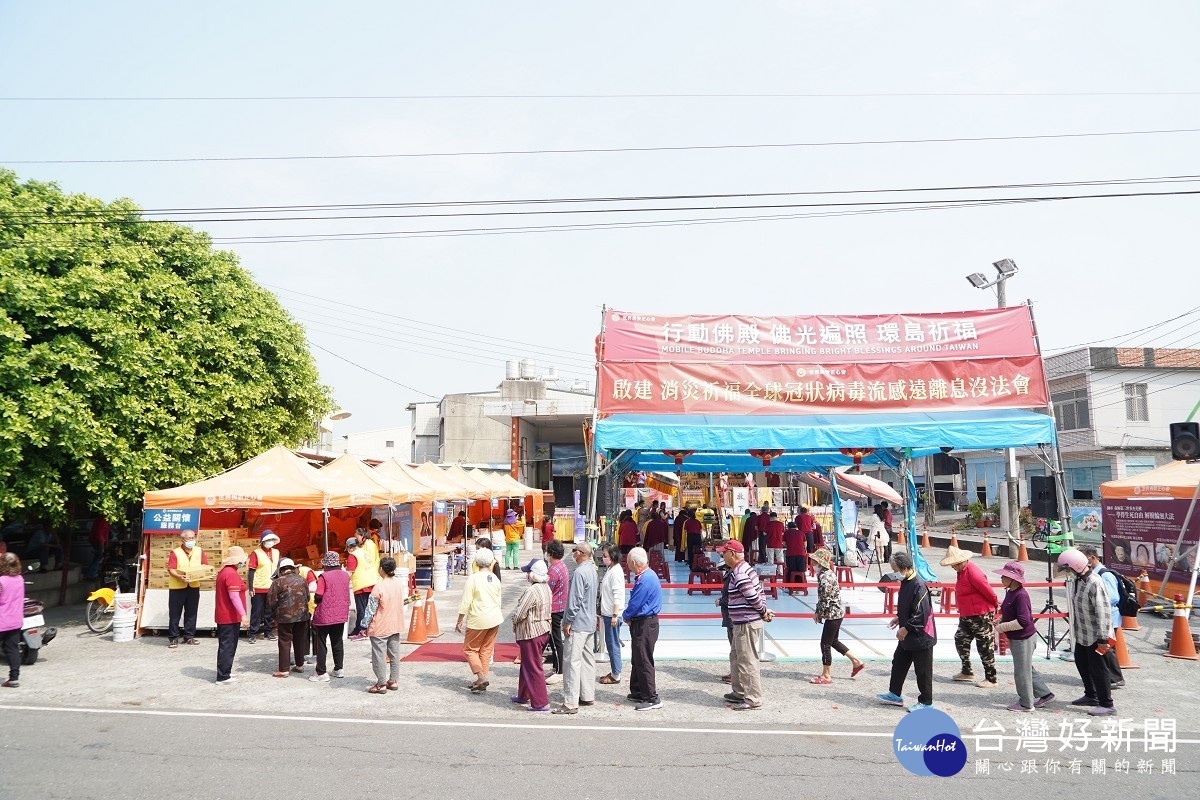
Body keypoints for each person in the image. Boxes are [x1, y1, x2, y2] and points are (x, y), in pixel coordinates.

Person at [715, 540, 774, 710]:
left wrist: (762, 611)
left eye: (724, 553)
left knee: (746, 660)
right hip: (743, 621)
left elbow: (752, 597)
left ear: (732, 554)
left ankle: (752, 698)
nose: (722, 555)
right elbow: (759, 593)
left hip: (745, 622)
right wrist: (763, 610)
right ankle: (739, 691)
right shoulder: (746, 569)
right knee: (736, 656)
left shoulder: (739, 573)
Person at [1058, 547, 1116, 716]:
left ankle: (1107, 704)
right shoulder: (1078, 581)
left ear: (1076, 566)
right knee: (1082, 664)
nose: (1067, 572)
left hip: (1097, 636)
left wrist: (1103, 639)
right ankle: (1091, 695)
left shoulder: (1094, 583)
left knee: (1099, 669)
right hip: (1082, 634)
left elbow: (1103, 612)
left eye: (1068, 569)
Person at [877, 551, 936, 712]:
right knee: (898, 663)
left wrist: (906, 627)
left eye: (896, 569)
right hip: (908, 634)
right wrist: (899, 618)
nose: (895, 573)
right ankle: (894, 694)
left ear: (905, 568)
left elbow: (921, 615)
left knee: (922, 670)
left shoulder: (919, 585)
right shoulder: (905, 582)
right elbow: (908, 606)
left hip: (921, 636)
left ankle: (926, 702)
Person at [993, 561, 1054, 712]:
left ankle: (1026, 703)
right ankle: (1045, 694)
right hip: (1019, 637)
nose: (1001, 578)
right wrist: (1001, 620)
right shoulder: (1011, 592)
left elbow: (1024, 621)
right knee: (1027, 668)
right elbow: (1011, 614)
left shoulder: (1020, 595)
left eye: (1004, 576)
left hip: (1023, 638)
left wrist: (1002, 627)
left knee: (1022, 671)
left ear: (1013, 579)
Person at [941, 545, 999, 688]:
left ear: (960, 562)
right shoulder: (961, 572)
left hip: (980, 613)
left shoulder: (973, 572)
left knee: (984, 645)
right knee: (960, 639)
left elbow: (988, 591)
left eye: (953, 564)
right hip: (967, 613)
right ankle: (967, 671)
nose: (952, 567)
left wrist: (995, 604)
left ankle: (991, 678)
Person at [554, 542, 599, 715]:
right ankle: (587, 694)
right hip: (589, 621)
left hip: (578, 622)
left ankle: (571, 701)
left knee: (572, 661)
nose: (573, 555)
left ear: (580, 553)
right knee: (588, 659)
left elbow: (575, 601)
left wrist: (567, 621)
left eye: (574, 552)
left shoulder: (580, 572)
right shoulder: (592, 570)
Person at [810, 547, 864, 684]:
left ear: (819, 562)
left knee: (825, 644)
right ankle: (856, 661)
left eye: (814, 560)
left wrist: (818, 613)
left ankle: (826, 675)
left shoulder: (825, 577)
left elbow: (825, 598)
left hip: (833, 613)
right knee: (833, 641)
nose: (811, 562)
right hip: (836, 612)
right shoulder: (828, 573)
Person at [456, 548, 503, 693]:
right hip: (494, 617)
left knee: (470, 649)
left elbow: (466, 601)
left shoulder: (474, 578)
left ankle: (481, 677)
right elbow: (499, 600)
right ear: (491, 562)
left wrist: (460, 619)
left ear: (476, 562)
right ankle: (482, 678)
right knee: (486, 650)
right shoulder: (495, 578)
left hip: (478, 618)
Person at [1080, 545, 1125, 689]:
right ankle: (1105, 676)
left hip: (1109, 617)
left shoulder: (1105, 575)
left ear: (1092, 558)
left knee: (1107, 650)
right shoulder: (1091, 574)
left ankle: (1115, 678)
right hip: (1100, 617)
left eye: (1084, 558)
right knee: (1102, 651)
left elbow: (1112, 597)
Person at [511, 559, 553, 712]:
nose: (527, 575)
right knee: (527, 665)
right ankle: (524, 694)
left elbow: (520, 613)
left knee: (533, 667)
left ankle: (540, 702)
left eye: (528, 572)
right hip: (542, 629)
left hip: (531, 632)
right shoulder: (546, 588)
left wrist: (513, 621)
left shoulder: (532, 591)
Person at [624, 547, 663, 710]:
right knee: (638, 657)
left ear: (634, 562)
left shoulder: (645, 579)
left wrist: (625, 616)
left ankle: (651, 697)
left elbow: (635, 603)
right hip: (646, 621)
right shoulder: (647, 576)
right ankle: (638, 690)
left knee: (643, 658)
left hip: (645, 622)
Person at [361, 556, 407, 694]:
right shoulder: (398, 583)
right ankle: (393, 680)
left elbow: (370, 610)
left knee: (379, 656)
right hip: (396, 623)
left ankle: (381, 683)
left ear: (381, 569)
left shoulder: (378, 587)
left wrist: (364, 625)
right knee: (394, 654)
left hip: (380, 626)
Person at [310, 550, 349, 682]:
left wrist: (315, 601)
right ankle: (339, 669)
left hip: (325, 614)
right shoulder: (345, 575)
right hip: (341, 613)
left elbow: (319, 595)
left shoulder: (324, 577)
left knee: (321, 642)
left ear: (326, 564)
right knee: (337, 641)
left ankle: (321, 672)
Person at [166, 529, 208, 648]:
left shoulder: (199, 551)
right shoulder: (175, 552)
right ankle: (173, 638)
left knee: (191, 612)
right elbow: (171, 569)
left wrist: (207, 573)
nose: (191, 540)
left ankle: (189, 636)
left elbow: (204, 565)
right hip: (177, 587)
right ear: (182, 539)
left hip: (193, 586)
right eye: (188, 538)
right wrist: (179, 576)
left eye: (193, 538)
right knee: (175, 613)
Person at [268, 558, 310, 678]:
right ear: (293, 568)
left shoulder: (278, 582)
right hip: (302, 616)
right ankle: (300, 665)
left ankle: (284, 670)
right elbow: (307, 597)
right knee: (299, 640)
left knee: (284, 641)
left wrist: (274, 614)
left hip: (285, 617)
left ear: (281, 570)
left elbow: (271, 601)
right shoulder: (302, 580)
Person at [213, 546, 249, 686]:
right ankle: (223, 676)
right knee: (228, 645)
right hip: (229, 616)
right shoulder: (231, 574)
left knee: (227, 644)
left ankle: (225, 671)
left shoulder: (224, 572)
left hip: (225, 615)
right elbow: (234, 597)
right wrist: (243, 615)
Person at [598, 543, 627, 685]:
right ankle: (615, 671)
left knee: (613, 644)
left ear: (613, 557)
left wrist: (615, 615)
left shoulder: (615, 572)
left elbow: (617, 595)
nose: (603, 558)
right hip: (608, 613)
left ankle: (616, 674)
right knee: (610, 643)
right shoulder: (612, 569)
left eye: (605, 556)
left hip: (612, 614)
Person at [246, 531, 280, 643]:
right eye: (267, 540)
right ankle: (253, 634)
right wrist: (251, 587)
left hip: (272, 586)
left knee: (269, 611)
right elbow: (251, 571)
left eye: (271, 540)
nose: (269, 542)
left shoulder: (276, 552)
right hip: (258, 586)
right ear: (263, 541)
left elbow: (278, 568)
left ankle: (268, 632)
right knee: (256, 611)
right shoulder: (256, 553)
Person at [346, 535, 379, 640]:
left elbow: (349, 572)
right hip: (372, 582)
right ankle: (365, 629)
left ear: (350, 547)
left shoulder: (353, 555)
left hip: (361, 585)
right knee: (370, 608)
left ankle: (361, 631)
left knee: (362, 610)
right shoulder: (365, 552)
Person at [544, 539, 568, 684]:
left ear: (551, 553)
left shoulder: (553, 570)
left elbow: (547, 589)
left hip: (555, 608)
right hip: (561, 605)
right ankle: (556, 667)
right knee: (554, 640)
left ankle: (560, 671)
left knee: (555, 639)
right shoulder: (562, 566)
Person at [0, 552, 25, 688]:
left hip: (1, 620)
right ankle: (14, 678)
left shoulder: (1, 581)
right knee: (12, 649)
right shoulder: (20, 579)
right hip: (15, 620)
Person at [85, 515, 110, 580]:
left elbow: (104, 532)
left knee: (98, 557)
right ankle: (91, 574)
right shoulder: (103, 518)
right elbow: (99, 531)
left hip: (98, 539)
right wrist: (102, 542)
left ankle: (92, 574)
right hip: (97, 540)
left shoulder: (104, 519)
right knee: (98, 557)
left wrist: (105, 542)